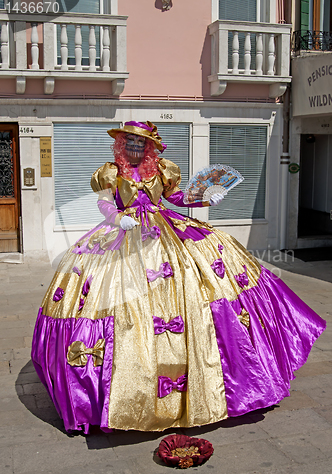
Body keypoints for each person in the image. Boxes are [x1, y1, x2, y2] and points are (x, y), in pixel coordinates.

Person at [32, 121, 326, 434]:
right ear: (121, 143)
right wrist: (118, 217)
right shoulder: (109, 172)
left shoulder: (162, 170)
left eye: (140, 142)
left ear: (149, 147)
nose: (134, 146)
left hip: (166, 230)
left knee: (200, 269)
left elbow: (177, 198)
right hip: (124, 233)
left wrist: (202, 199)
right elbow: (104, 202)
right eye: (129, 141)